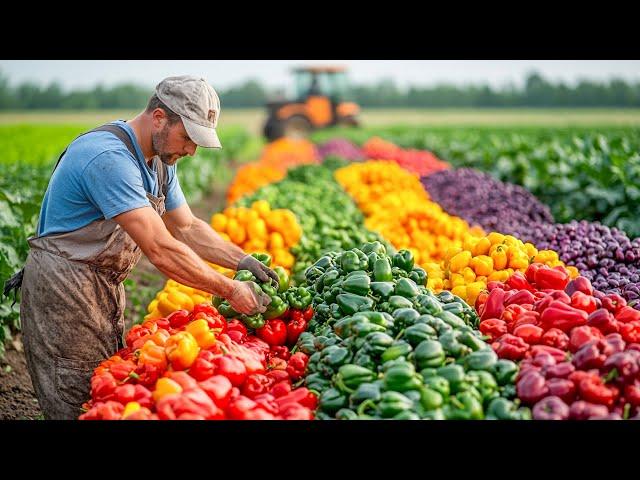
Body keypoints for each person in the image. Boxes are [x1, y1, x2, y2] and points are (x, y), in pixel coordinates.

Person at [12, 75, 279, 419]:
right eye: (187, 137)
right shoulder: (108, 158)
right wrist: (230, 290)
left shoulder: (158, 160)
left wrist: (243, 261)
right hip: (65, 290)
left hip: (101, 285)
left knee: (102, 391)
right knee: (78, 399)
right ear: (158, 118)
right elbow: (160, 248)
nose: (191, 150)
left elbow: (187, 227)